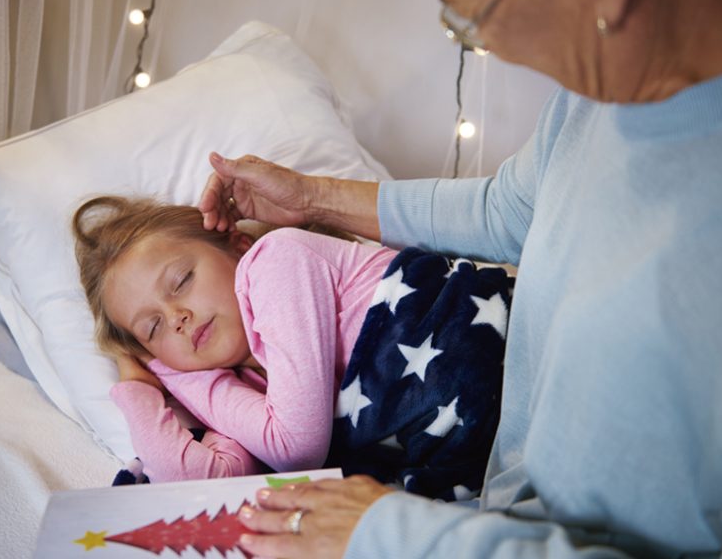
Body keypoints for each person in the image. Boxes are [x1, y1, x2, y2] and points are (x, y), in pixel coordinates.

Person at [196, 0, 722, 557]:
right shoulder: (619, 75)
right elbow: (512, 209)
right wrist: (313, 198)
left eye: (470, 16)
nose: (486, 43)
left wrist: (393, 540)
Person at [72, 196, 512, 498]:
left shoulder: (274, 261)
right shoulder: (242, 389)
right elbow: (195, 481)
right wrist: (146, 382)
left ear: (238, 246)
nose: (177, 318)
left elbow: (295, 449)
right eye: (153, 328)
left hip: (508, 353)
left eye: (181, 281)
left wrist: (172, 371)